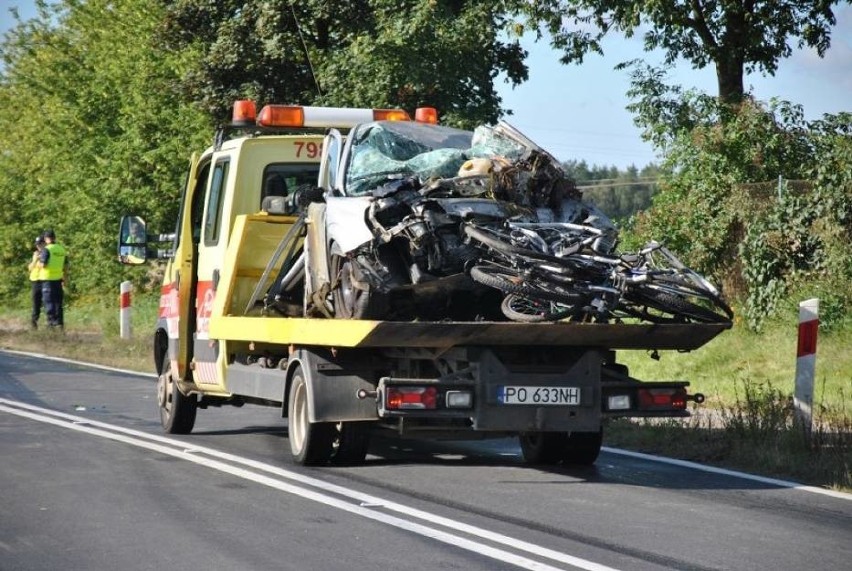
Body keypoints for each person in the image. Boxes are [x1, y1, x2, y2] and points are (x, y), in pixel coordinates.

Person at [39, 229, 69, 329]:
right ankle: (60, 323)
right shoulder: (61, 249)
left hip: (48, 280)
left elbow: (43, 265)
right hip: (58, 279)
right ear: (54, 238)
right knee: (58, 303)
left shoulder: (46, 249)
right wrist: (65, 279)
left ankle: (50, 324)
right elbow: (65, 267)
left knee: (49, 302)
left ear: (46, 239)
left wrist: (37, 262)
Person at [27, 235, 47, 329]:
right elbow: (30, 268)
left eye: (40, 244)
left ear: (44, 244)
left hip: (45, 280)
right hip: (35, 281)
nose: (39, 246)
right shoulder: (35, 254)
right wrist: (35, 260)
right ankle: (33, 322)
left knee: (47, 302)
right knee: (36, 303)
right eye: (37, 244)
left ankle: (49, 323)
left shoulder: (47, 253)